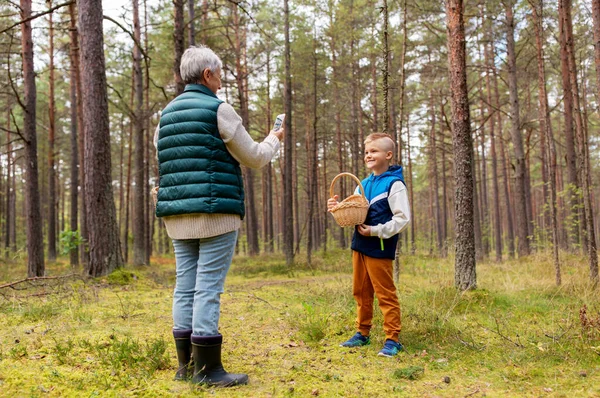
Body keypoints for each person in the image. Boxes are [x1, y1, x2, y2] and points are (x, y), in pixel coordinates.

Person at [154, 45, 283, 387]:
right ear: (207, 74)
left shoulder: (165, 115)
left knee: (185, 287)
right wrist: (274, 139)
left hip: (177, 215)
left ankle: (186, 366)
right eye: (220, 74)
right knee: (208, 288)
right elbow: (254, 157)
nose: (222, 81)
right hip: (215, 213)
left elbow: (166, 158)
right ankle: (208, 371)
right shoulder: (218, 109)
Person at [327, 133, 410, 357]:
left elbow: (402, 219)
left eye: (374, 151)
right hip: (359, 245)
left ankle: (393, 339)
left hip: (380, 247)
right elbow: (352, 209)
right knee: (360, 291)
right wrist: (336, 206)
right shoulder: (362, 184)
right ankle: (362, 333)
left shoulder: (395, 184)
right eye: (366, 152)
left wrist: (375, 231)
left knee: (385, 293)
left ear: (388, 155)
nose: (368, 155)